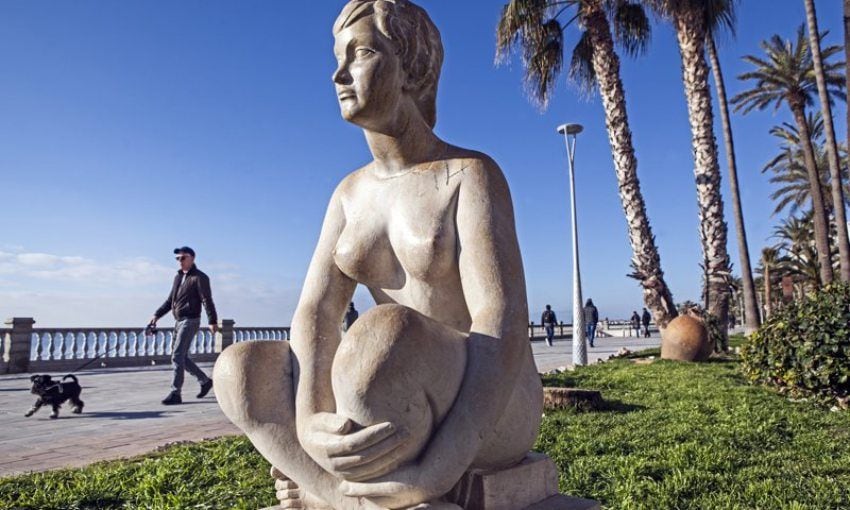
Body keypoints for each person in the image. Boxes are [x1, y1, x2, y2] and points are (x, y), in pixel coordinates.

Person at [213, 2, 543, 508]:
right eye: (337, 57)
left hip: (491, 401)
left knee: (382, 336)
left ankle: (397, 486)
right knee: (239, 371)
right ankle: (341, 495)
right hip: (389, 387)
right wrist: (308, 418)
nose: (339, 73)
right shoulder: (349, 194)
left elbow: (500, 322)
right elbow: (316, 310)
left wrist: (441, 468)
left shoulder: (469, 175)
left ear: (413, 66)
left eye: (362, 53)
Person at [149, 246, 217, 406]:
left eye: (183, 258)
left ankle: (175, 393)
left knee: (177, 356)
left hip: (190, 320)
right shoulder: (178, 277)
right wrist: (156, 315)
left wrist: (212, 320)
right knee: (182, 358)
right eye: (177, 259)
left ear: (192, 258)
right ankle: (205, 381)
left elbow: (207, 300)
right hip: (178, 321)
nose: (180, 261)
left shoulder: (200, 277)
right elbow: (169, 301)